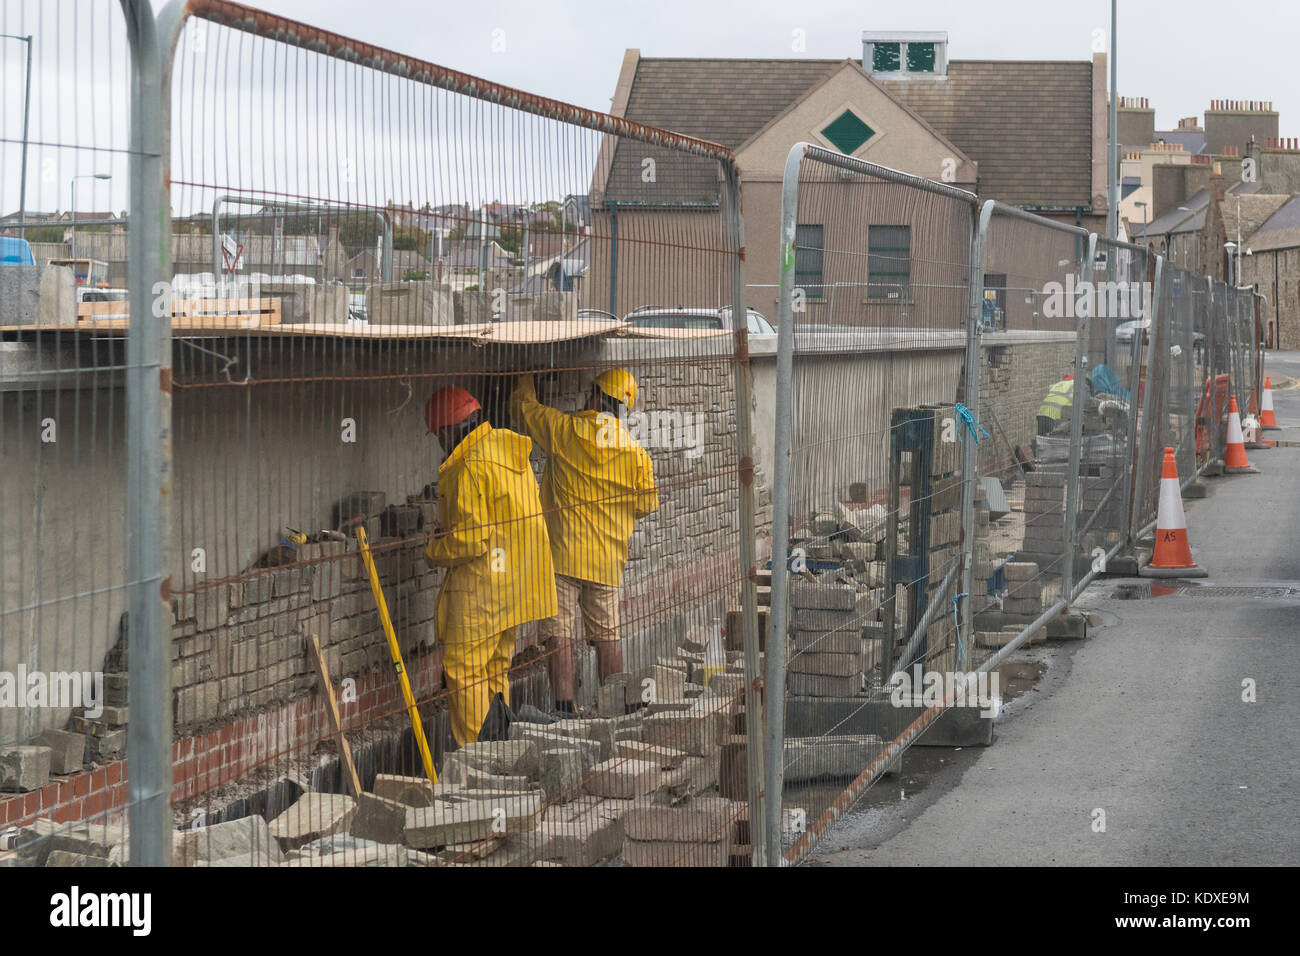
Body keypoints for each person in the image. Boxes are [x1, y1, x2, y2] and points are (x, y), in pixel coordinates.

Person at [510, 368, 658, 715]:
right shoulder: (634, 452)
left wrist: (525, 372)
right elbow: (646, 504)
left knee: (557, 631)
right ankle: (614, 706)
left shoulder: (566, 431)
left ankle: (564, 708)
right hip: (606, 561)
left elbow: (523, 408)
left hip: (562, 556)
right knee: (607, 633)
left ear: (594, 395)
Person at [423, 386, 557, 746]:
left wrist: (434, 548)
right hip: (516, 582)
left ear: (450, 429)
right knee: (494, 668)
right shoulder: (506, 448)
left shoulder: (469, 464)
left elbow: (471, 539)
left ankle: (475, 758)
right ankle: (500, 749)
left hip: (485, 587)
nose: (439, 443)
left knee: (463, 670)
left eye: (438, 435)